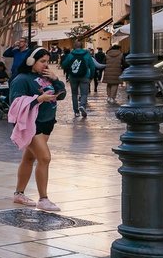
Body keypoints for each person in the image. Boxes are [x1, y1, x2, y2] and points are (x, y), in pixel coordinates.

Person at [9, 47, 66, 212]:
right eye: (42, 61)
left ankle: (19, 194)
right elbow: (15, 103)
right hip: (32, 123)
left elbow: (62, 95)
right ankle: (43, 198)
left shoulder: (46, 77)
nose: (45, 65)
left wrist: (56, 79)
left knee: (29, 158)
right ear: (31, 61)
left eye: (47, 61)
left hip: (47, 122)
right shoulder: (21, 79)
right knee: (45, 158)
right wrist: (38, 99)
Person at [61, 38, 97, 120]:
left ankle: (76, 112)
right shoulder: (87, 54)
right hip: (85, 76)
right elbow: (92, 67)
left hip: (73, 77)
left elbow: (64, 65)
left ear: (74, 46)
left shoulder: (71, 55)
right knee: (84, 93)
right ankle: (82, 105)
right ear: (82, 46)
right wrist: (91, 76)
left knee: (74, 94)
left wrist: (69, 71)